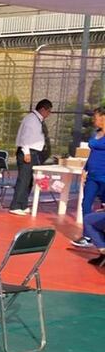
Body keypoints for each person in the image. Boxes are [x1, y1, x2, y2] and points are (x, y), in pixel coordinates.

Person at [9, 99, 52, 215]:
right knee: (24, 179)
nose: (48, 114)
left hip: (35, 152)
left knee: (29, 180)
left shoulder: (38, 120)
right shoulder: (31, 119)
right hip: (28, 152)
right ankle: (15, 205)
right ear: (42, 109)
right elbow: (25, 137)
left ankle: (23, 205)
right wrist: (26, 152)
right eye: (48, 111)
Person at [71, 106, 105, 248]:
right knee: (86, 203)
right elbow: (92, 153)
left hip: (104, 176)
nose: (93, 120)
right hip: (92, 176)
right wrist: (85, 168)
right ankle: (88, 236)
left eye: (95, 117)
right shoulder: (96, 134)